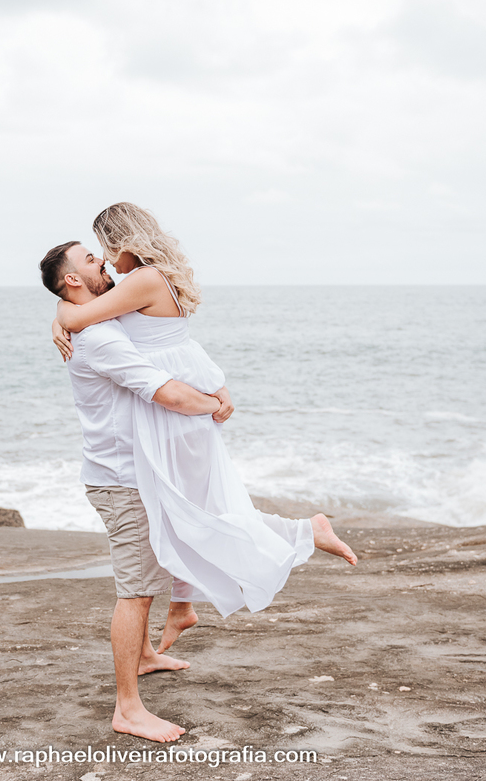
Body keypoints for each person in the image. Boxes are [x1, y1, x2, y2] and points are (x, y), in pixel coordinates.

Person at [51, 203, 357, 630]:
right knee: (188, 514)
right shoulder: (155, 277)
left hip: (176, 414)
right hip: (181, 411)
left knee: (198, 515)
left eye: (105, 248)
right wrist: (218, 384)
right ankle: (183, 605)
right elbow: (181, 346)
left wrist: (60, 314)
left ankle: (306, 532)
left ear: (124, 242)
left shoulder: (143, 278)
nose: (105, 260)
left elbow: (80, 314)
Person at [39, 239, 229, 743]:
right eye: (90, 259)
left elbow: (94, 312)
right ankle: (127, 708)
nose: (103, 260)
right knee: (136, 592)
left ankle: (145, 655)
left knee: (155, 568)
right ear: (75, 280)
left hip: (125, 473)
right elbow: (164, 390)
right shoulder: (102, 339)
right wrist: (215, 403)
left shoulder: (95, 321)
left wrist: (60, 314)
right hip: (121, 481)